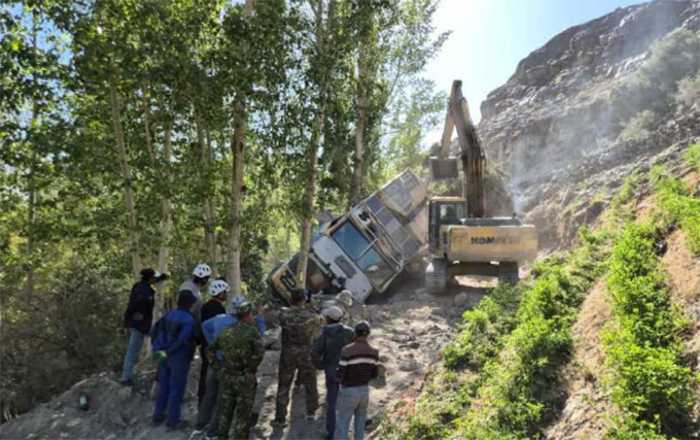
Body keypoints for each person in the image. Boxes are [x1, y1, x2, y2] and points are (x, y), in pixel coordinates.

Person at [193, 296, 266, 439]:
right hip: (236, 370)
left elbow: (205, 327)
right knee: (228, 405)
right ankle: (215, 431)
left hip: (218, 365)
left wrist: (213, 343)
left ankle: (202, 425)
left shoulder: (220, 320)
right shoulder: (249, 328)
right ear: (247, 312)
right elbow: (259, 345)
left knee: (212, 397)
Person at [273, 288, 320, 427]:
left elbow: (278, 318)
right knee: (311, 383)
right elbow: (318, 333)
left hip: (288, 352)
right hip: (306, 352)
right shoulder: (312, 316)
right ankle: (311, 412)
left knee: (284, 385)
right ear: (304, 299)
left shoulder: (283, 314)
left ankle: (280, 418)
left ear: (291, 298)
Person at [152, 290, 198, 430]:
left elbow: (154, 331)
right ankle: (173, 421)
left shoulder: (168, 314)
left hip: (161, 353)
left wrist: (159, 351)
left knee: (163, 385)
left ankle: (157, 415)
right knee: (176, 388)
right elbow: (182, 340)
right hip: (177, 356)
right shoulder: (189, 319)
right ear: (190, 304)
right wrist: (169, 351)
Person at [312, 306, 354, 440]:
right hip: (347, 369)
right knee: (348, 399)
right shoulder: (349, 332)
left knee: (332, 402)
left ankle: (331, 433)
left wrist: (320, 366)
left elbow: (314, 352)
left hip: (331, 370)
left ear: (328, 319)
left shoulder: (323, 334)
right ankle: (346, 430)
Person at [120, 268, 167, 386]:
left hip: (141, 323)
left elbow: (130, 306)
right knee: (137, 349)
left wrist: (127, 321)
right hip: (141, 324)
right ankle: (126, 378)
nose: (156, 280)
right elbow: (134, 305)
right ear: (150, 278)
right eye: (154, 278)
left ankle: (126, 377)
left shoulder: (138, 286)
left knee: (136, 350)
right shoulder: (145, 292)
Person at [334, 322, 379, 440]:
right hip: (364, 390)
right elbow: (374, 374)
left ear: (355, 333)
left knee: (343, 423)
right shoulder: (374, 352)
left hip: (349, 390)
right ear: (368, 334)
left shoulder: (347, 350)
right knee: (360, 423)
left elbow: (340, 373)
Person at [179, 263, 212, 401]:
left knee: (185, 362)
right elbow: (186, 308)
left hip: (191, 331)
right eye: (207, 279)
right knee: (181, 362)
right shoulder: (188, 289)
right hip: (186, 331)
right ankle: (179, 393)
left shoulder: (194, 289)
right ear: (203, 279)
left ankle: (181, 391)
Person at [198, 279, 229, 404]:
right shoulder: (218, 308)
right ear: (220, 293)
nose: (226, 294)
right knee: (213, 377)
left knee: (205, 372)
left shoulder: (206, 306)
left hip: (205, 345)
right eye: (225, 292)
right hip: (213, 347)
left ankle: (202, 401)